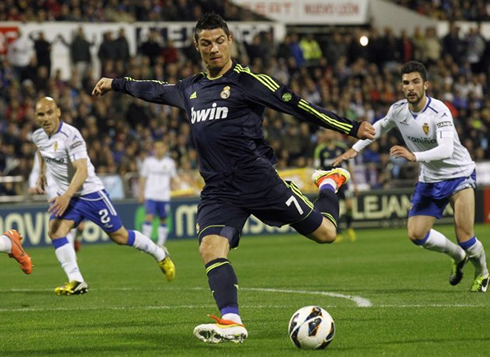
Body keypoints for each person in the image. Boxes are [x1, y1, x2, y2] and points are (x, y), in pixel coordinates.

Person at [92, 13, 374, 343]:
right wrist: (117, 83)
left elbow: (299, 107)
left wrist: (350, 127)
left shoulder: (250, 83)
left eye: (219, 41)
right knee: (211, 248)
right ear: (197, 47)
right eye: (206, 43)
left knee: (326, 233)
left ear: (230, 41)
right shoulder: (191, 89)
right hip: (219, 190)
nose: (214, 49)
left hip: (259, 181)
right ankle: (232, 320)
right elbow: (155, 90)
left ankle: (328, 182)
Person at [333, 61, 488, 293]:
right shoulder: (398, 110)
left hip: (459, 175)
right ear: (401, 86)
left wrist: (413, 155)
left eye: (416, 82)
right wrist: (356, 148)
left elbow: (446, 149)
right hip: (430, 178)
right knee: (416, 234)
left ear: (426, 84)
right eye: (406, 83)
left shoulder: (440, 111)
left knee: (465, 236)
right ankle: (458, 256)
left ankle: (483, 272)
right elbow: (380, 126)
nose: (411, 87)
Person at [31, 97, 175, 296]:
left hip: (90, 194)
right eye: (40, 114)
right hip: (70, 196)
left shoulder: (71, 135)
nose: (45, 118)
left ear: (58, 112)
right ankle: (76, 280)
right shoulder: (38, 135)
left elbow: (81, 171)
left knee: (120, 236)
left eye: (49, 112)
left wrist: (65, 195)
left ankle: (159, 253)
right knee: (55, 231)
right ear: (35, 117)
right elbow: (42, 151)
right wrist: (41, 173)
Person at [28, 154, 84, 252]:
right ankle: (71, 256)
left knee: (81, 227)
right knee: (64, 222)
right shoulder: (42, 148)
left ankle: (76, 239)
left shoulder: (66, 144)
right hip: (52, 190)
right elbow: (36, 169)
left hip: (69, 187)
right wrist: (32, 185)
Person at [314, 129, 357, 242]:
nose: (330, 134)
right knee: (333, 207)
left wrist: (355, 183)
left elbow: (349, 166)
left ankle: (349, 227)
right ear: (324, 134)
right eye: (327, 132)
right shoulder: (320, 150)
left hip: (341, 181)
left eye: (331, 132)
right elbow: (317, 169)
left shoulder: (341, 147)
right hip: (328, 183)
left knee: (349, 206)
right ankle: (337, 232)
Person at [139, 140, 177, 247]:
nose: (159, 150)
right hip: (150, 194)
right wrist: (141, 193)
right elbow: (142, 178)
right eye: (157, 148)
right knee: (149, 216)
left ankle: (161, 243)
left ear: (165, 149)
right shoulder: (148, 162)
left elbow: (173, 179)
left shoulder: (170, 163)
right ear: (154, 149)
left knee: (163, 218)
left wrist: (175, 188)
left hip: (164, 196)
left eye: (161, 147)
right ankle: (145, 243)